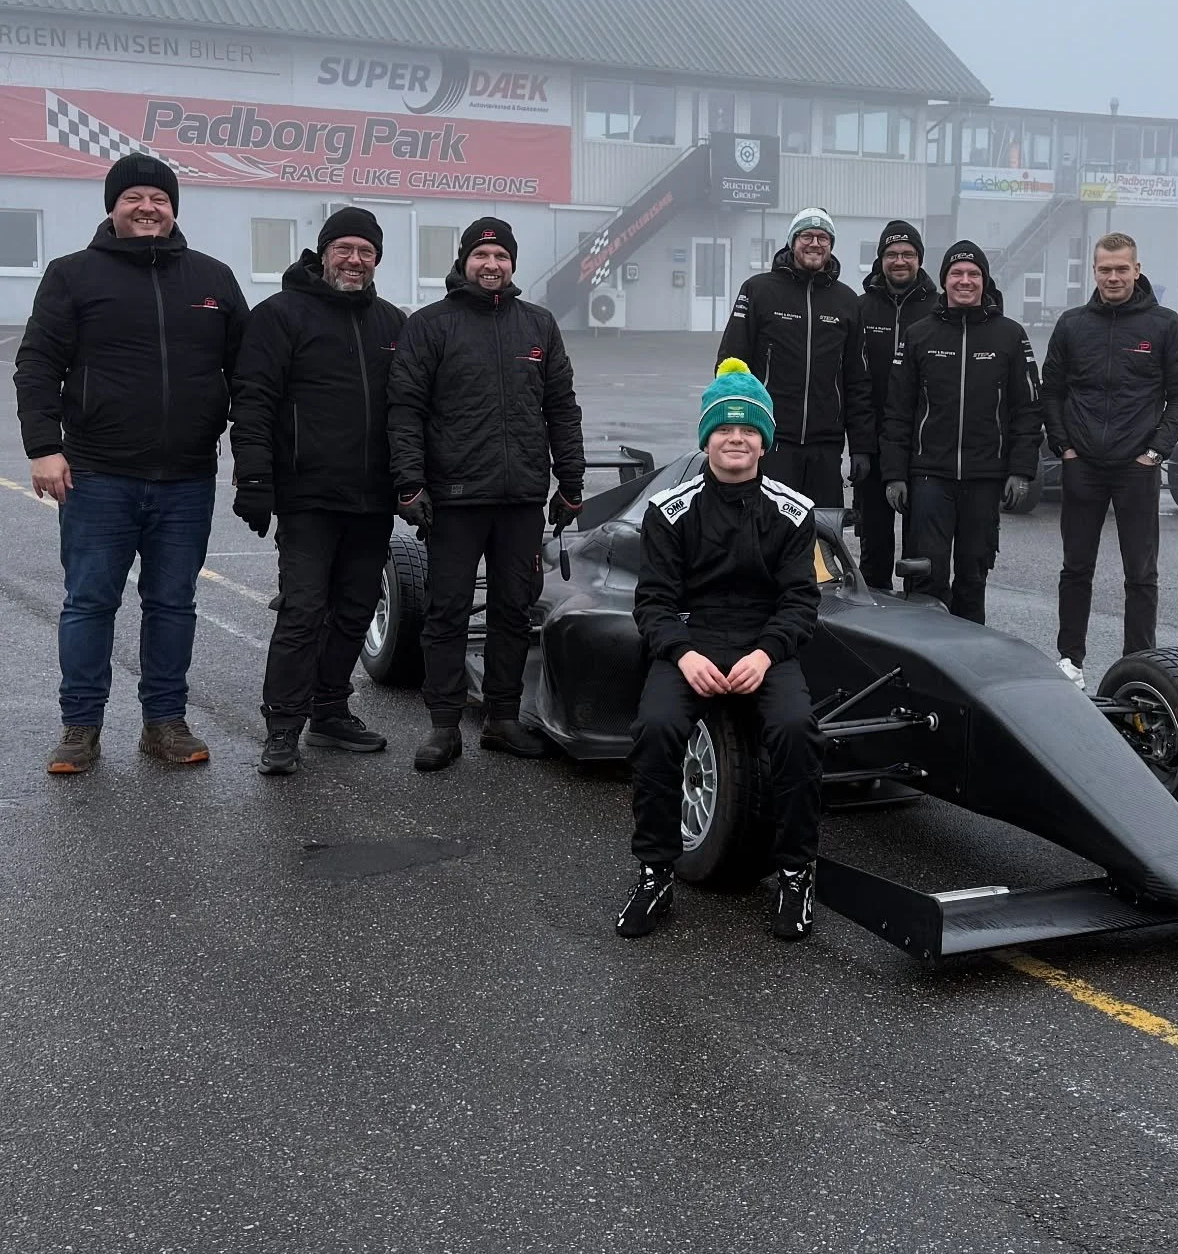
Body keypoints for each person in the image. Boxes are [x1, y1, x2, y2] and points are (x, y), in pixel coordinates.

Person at [13, 153, 248, 774]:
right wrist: (43, 447)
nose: (148, 209)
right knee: (89, 602)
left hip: (187, 477)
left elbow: (248, 374)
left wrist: (252, 455)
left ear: (174, 209)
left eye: (160, 200)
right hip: (97, 476)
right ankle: (80, 727)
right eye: (134, 198)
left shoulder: (214, 280)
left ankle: (164, 723)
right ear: (112, 207)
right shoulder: (73, 276)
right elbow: (37, 363)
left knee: (173, 604)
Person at [617, 358, 823, 941]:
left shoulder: (794, 511)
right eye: (725, 429)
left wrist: (765, 655)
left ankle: (795, 873)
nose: (736, 439)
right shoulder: (670, 510)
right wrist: (683, 653)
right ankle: (655, 872)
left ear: (764, 442)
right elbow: (653, 602)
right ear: (708, 438)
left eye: (749, 430)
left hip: (765, 646)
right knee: (655, 729)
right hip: (692, 641)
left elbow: (800, 603)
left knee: (796, 732)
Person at [388, 218, 584, 771]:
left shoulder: (539, 326)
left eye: (501, 256)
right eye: (482, 255)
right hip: (454, 497)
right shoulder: (431, 325)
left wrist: (570, 485)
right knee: (446, 611)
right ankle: (443, 725)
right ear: (464, 261)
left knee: (512, 610)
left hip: (520, 497)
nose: (491, 265)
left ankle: (501, 718)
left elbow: (562, 409)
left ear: (512, 265)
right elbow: (405, 409)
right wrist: (409, 482)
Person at [229, 207, 407, 775]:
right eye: (345, 249)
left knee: (355, 610)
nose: (354, 260)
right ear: (323, 251)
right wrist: (255, 479)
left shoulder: (392, 324)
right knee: (304, 611)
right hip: (307, 495)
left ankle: (329, 709)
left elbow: (411, 411)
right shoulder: (280, 315)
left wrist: (413, 483)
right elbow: (252, 400)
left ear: (377, 259)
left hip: (373, 497)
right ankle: (283, 727)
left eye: (366, 252)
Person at [1041, 233, 1178, 689]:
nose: (1113, 277)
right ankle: (1070, 660)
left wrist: (1156, 451)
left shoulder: (1166, 326)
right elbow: (1051, 391)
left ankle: (1139, 662)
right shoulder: (1072, 325)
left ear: (1137, 269)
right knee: (1075, 569)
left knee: (1141, 573)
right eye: (1105, 269)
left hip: (1137, 467)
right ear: (1094, 271)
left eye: (1121, 269)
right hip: (1082, 465)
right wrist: (1064, 447)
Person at [880, 240, 1041, 624]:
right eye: (957, 274)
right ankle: (921, 661)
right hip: (929, 477)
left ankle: (970, 663)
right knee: (925, 576)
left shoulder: (1011, 336)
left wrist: (1021, 471)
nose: (965, 281)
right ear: (944, 281)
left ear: (984, 281)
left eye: (973, 274)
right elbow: (898, 410)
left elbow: (1028, 410)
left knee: (973, 574)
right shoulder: (919, 335)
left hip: (985, 477)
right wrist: (894, 475)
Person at [715, 207, 873, 508]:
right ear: (791, 241)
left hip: (826, 448)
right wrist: (729, 432)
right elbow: (731, 367)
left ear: (831, 244)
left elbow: (858, 381)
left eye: (823, 237)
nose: (815, 243)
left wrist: (861, 447)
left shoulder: (847, 301)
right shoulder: (759, 290)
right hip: (771, 440)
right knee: (767, 532)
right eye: (806, 235)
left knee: (822, 536)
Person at [855, 219, 937, 589]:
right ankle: (873, 614)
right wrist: (857, 443)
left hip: (923, 443)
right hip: (871, 443)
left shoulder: (940, 309)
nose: (899, 260)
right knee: (874, 538)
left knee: (920, 542)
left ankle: (918, 615)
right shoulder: (860, 309)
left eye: (908, 254)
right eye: (892, 254)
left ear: (919, 259)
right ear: (881, 259)